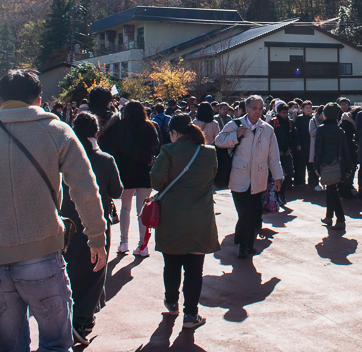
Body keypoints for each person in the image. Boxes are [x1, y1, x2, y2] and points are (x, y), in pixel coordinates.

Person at [0, 70, 107, 352]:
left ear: (0, 101)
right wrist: (96, 237)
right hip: (43, 255)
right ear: (38, 99)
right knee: (56, 344)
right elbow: (86, 189)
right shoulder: (57, 131)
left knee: (10, 347)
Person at [152, 115, 220, 330]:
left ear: (173, 133)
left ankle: (172, 302)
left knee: (171, 264)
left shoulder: (168, 151)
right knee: (194, 269)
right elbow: (212, 177)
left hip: (172, 216)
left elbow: (156, 180)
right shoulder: (209, 152)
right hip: (201, 218)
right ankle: (191, 314)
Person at [63, 112, 122, 344]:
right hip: (97, 222)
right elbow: (117, 191)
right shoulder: (105, 160)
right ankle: (82, 320)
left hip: (67, 222)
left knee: (69, 268)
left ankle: (67, 315)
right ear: (96, 131)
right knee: (96, 269)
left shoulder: (64, 157)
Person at [213, 95, 284, 258]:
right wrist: (235, 135)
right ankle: (243, 245)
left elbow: (273, 156)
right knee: (245, 212)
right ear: (246, 108)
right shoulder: (235, 124)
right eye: (254, 108)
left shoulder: (267, 130)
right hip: (239, 176)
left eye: (260, 109)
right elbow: (219, 141)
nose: (257, 112)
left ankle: (248, 244)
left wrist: (278, 177)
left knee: (253, 214)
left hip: (259, 178)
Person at [100, 100, 160, 257]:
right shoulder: (150, 126)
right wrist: (147, 157)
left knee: (125, 207)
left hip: (126, 171)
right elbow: (156, 146)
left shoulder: (121, 126)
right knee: (143, 210)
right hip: (145, 171)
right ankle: (143, 245)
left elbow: (122, 147)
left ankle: (123, 242)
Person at [315, 103, 351, 230]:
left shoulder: (321, 129)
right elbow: (345, 149)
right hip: (338, 163)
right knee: (331, 189)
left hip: (325, 163)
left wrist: (316, 165)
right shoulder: (340, 130)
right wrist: (349, 166)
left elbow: (318, 149)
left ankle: (340, 219)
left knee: (331, 190)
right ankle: (329, 216)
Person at [270, 103, 294, 200]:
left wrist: (290, 148)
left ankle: (281, 192)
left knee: (290, 173)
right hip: (276, 153)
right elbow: (270, 138)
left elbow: (293, 137)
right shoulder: (273, 122)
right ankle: (275, 194)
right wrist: (277, 150)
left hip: (287, 152)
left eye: (286, 113)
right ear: (278, 112)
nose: (285, 115)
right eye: (283, 113)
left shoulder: (290, 122)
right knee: (275, 175)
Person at [292, 101, 313, 187]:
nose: (308, 109)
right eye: (306, 107)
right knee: (301, 164)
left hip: (311, 144)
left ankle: (312, 181)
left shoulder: (313, 119)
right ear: (302, 109)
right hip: (302, 144)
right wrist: (298, 144)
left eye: (310, 107)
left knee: (311, 164)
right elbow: (296, 132)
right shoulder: (299, 118)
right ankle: (301, 181)